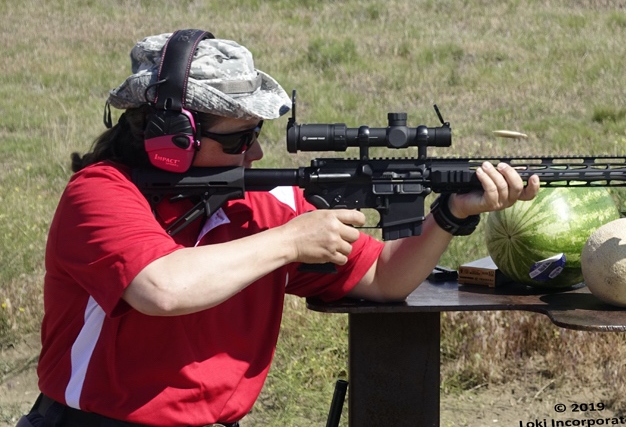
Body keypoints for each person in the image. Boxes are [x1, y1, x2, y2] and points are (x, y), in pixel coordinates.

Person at [23, 32, 540, 427]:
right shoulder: (101, 193)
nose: (256, 153)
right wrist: (291, 240)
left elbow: (385, 277)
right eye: (238, 139)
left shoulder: (261, 199)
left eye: (258, 134)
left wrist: (449, 216)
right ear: (169, 138)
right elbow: (162, 288)